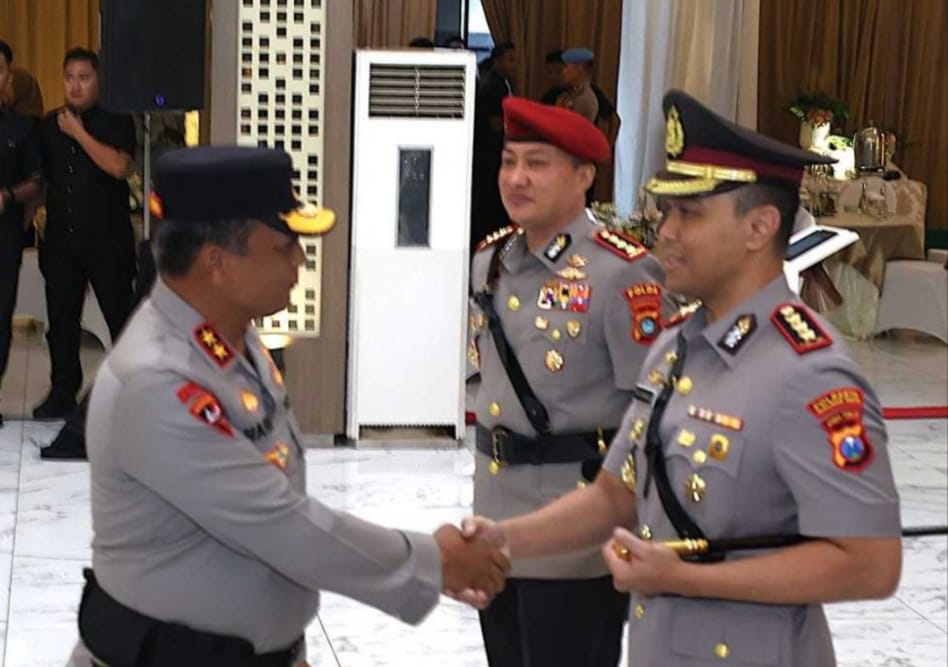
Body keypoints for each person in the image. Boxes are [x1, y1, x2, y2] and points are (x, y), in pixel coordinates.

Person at [463, 89, 903, 666]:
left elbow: (871, 564)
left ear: (759, 227)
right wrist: (501, 540)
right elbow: (614, 494)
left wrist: (685, 576)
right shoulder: (677, 346)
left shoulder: (808, 372)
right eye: (666, 211)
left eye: (688, 214)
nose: (665, 232)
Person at [65, 145, 510, 667]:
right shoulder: (155, 380)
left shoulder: (231, 338)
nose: (300, 260)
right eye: (283, 247)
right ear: (215, 261)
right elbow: (279, 524)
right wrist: (436, 562)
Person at [468, 96, 672, 667]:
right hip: (496, 516)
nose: (517, 178)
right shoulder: (491, 260)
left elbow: (652, 410)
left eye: (537, 163)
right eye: (509, 162)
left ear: (584, 176)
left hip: (575, 532)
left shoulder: (621, 271)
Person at [35, 47, 137, 420]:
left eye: (84, 78)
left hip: (107, 239)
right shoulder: (49, 125)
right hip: (62, 239)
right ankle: (63, 391)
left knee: (120, 318)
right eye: (69, 78)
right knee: (61, 321)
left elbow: (119, 167)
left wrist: (78, 133)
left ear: (98, 80)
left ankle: (132, 392)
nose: (75, 86)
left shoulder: (117, 119)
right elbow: (40, 179)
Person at [0, 40, 43, 429]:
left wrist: (8, 196)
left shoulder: (21, 127)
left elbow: (36, 180)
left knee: (1, 318)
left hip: (4, 237)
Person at [470, 42, 517, 256]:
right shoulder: (494, 85)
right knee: (489, 205)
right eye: (510, 60)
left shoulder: (494, 81)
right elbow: (496, 123)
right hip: (489, 153)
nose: (514, 65)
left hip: (487, 152)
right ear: (498, 60)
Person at [555, 47, 599, 124]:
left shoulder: (584, 98)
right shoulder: (571, 93)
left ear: (579, 68)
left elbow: (567, 127)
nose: (562, 71)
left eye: (565, 66)